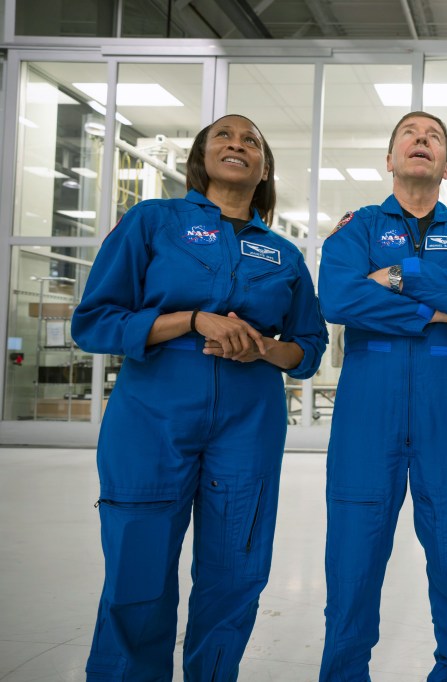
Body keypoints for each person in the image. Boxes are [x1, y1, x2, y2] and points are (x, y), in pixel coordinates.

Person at [71, 114, 328, 680]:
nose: (238, 144)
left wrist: (261, 348)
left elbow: (309, 347)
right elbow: (94, 323)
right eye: (224, 137)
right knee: (138, 577)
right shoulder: (152, 222)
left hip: (249, 423)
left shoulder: (282, 254)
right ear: (200, 157)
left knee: (234, 575)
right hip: (151, 420)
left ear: (263, 169)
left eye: (252, 141)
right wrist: (192, 320)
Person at [318, 111, 447, 682]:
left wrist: (398, 275)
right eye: (410, 134)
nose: (421, 141)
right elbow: (338, 298)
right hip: (366, 412)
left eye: (433, 137)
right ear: (390, 159)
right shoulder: (357, 228)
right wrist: (433, 311)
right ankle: (345, 672)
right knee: (353, 556)